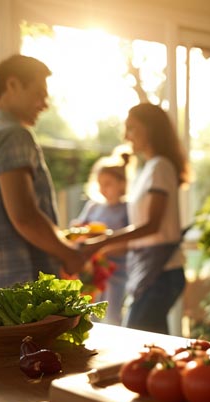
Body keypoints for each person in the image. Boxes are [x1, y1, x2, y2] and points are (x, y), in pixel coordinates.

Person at [0, 54, 86, 298]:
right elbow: (24, 216)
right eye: (40, 92)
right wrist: (69, 254)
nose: (45, 103)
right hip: (22, 300)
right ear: (13, 85)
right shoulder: (13, 135)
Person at [85, 103, 188, 334]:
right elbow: (143, 237)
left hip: (162, 272)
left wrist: (102, 242)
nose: (125, 136)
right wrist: (100, 248)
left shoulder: (160, 167)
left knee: (137, 336)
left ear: (149, 129)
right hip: (151, 270)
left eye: (131, 128)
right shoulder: (149, 169)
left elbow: (151, 226)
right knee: (153, 346)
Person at [72, 151, 131, 325]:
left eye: (108, 184)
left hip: (117, 273)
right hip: (92, 273)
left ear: (122, 184)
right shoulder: (93, 207)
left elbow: (127, 244)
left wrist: (101, 244)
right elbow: (80, 230)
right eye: (100, 184)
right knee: (91, 316)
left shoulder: (127, 209)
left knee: (112, 317)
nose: (103, 189)